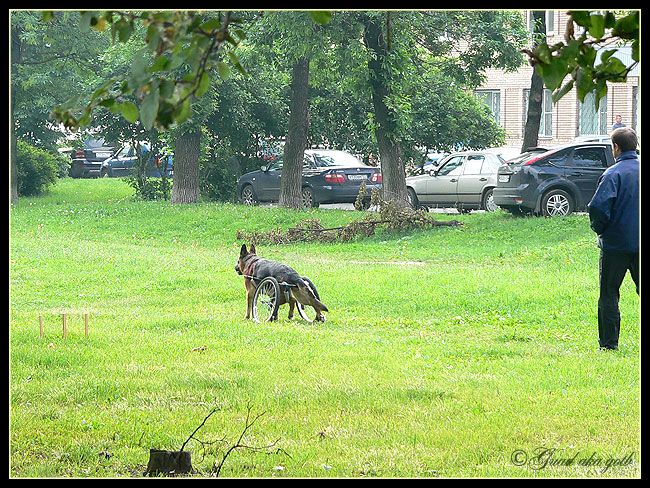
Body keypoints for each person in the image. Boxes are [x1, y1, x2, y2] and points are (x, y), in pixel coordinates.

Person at [587, 127, 639, 351]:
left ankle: (609, 344)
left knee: (609, 294)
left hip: (615, 246)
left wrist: (601, 230)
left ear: (616, 147)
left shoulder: (612, 174)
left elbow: (598, 208)